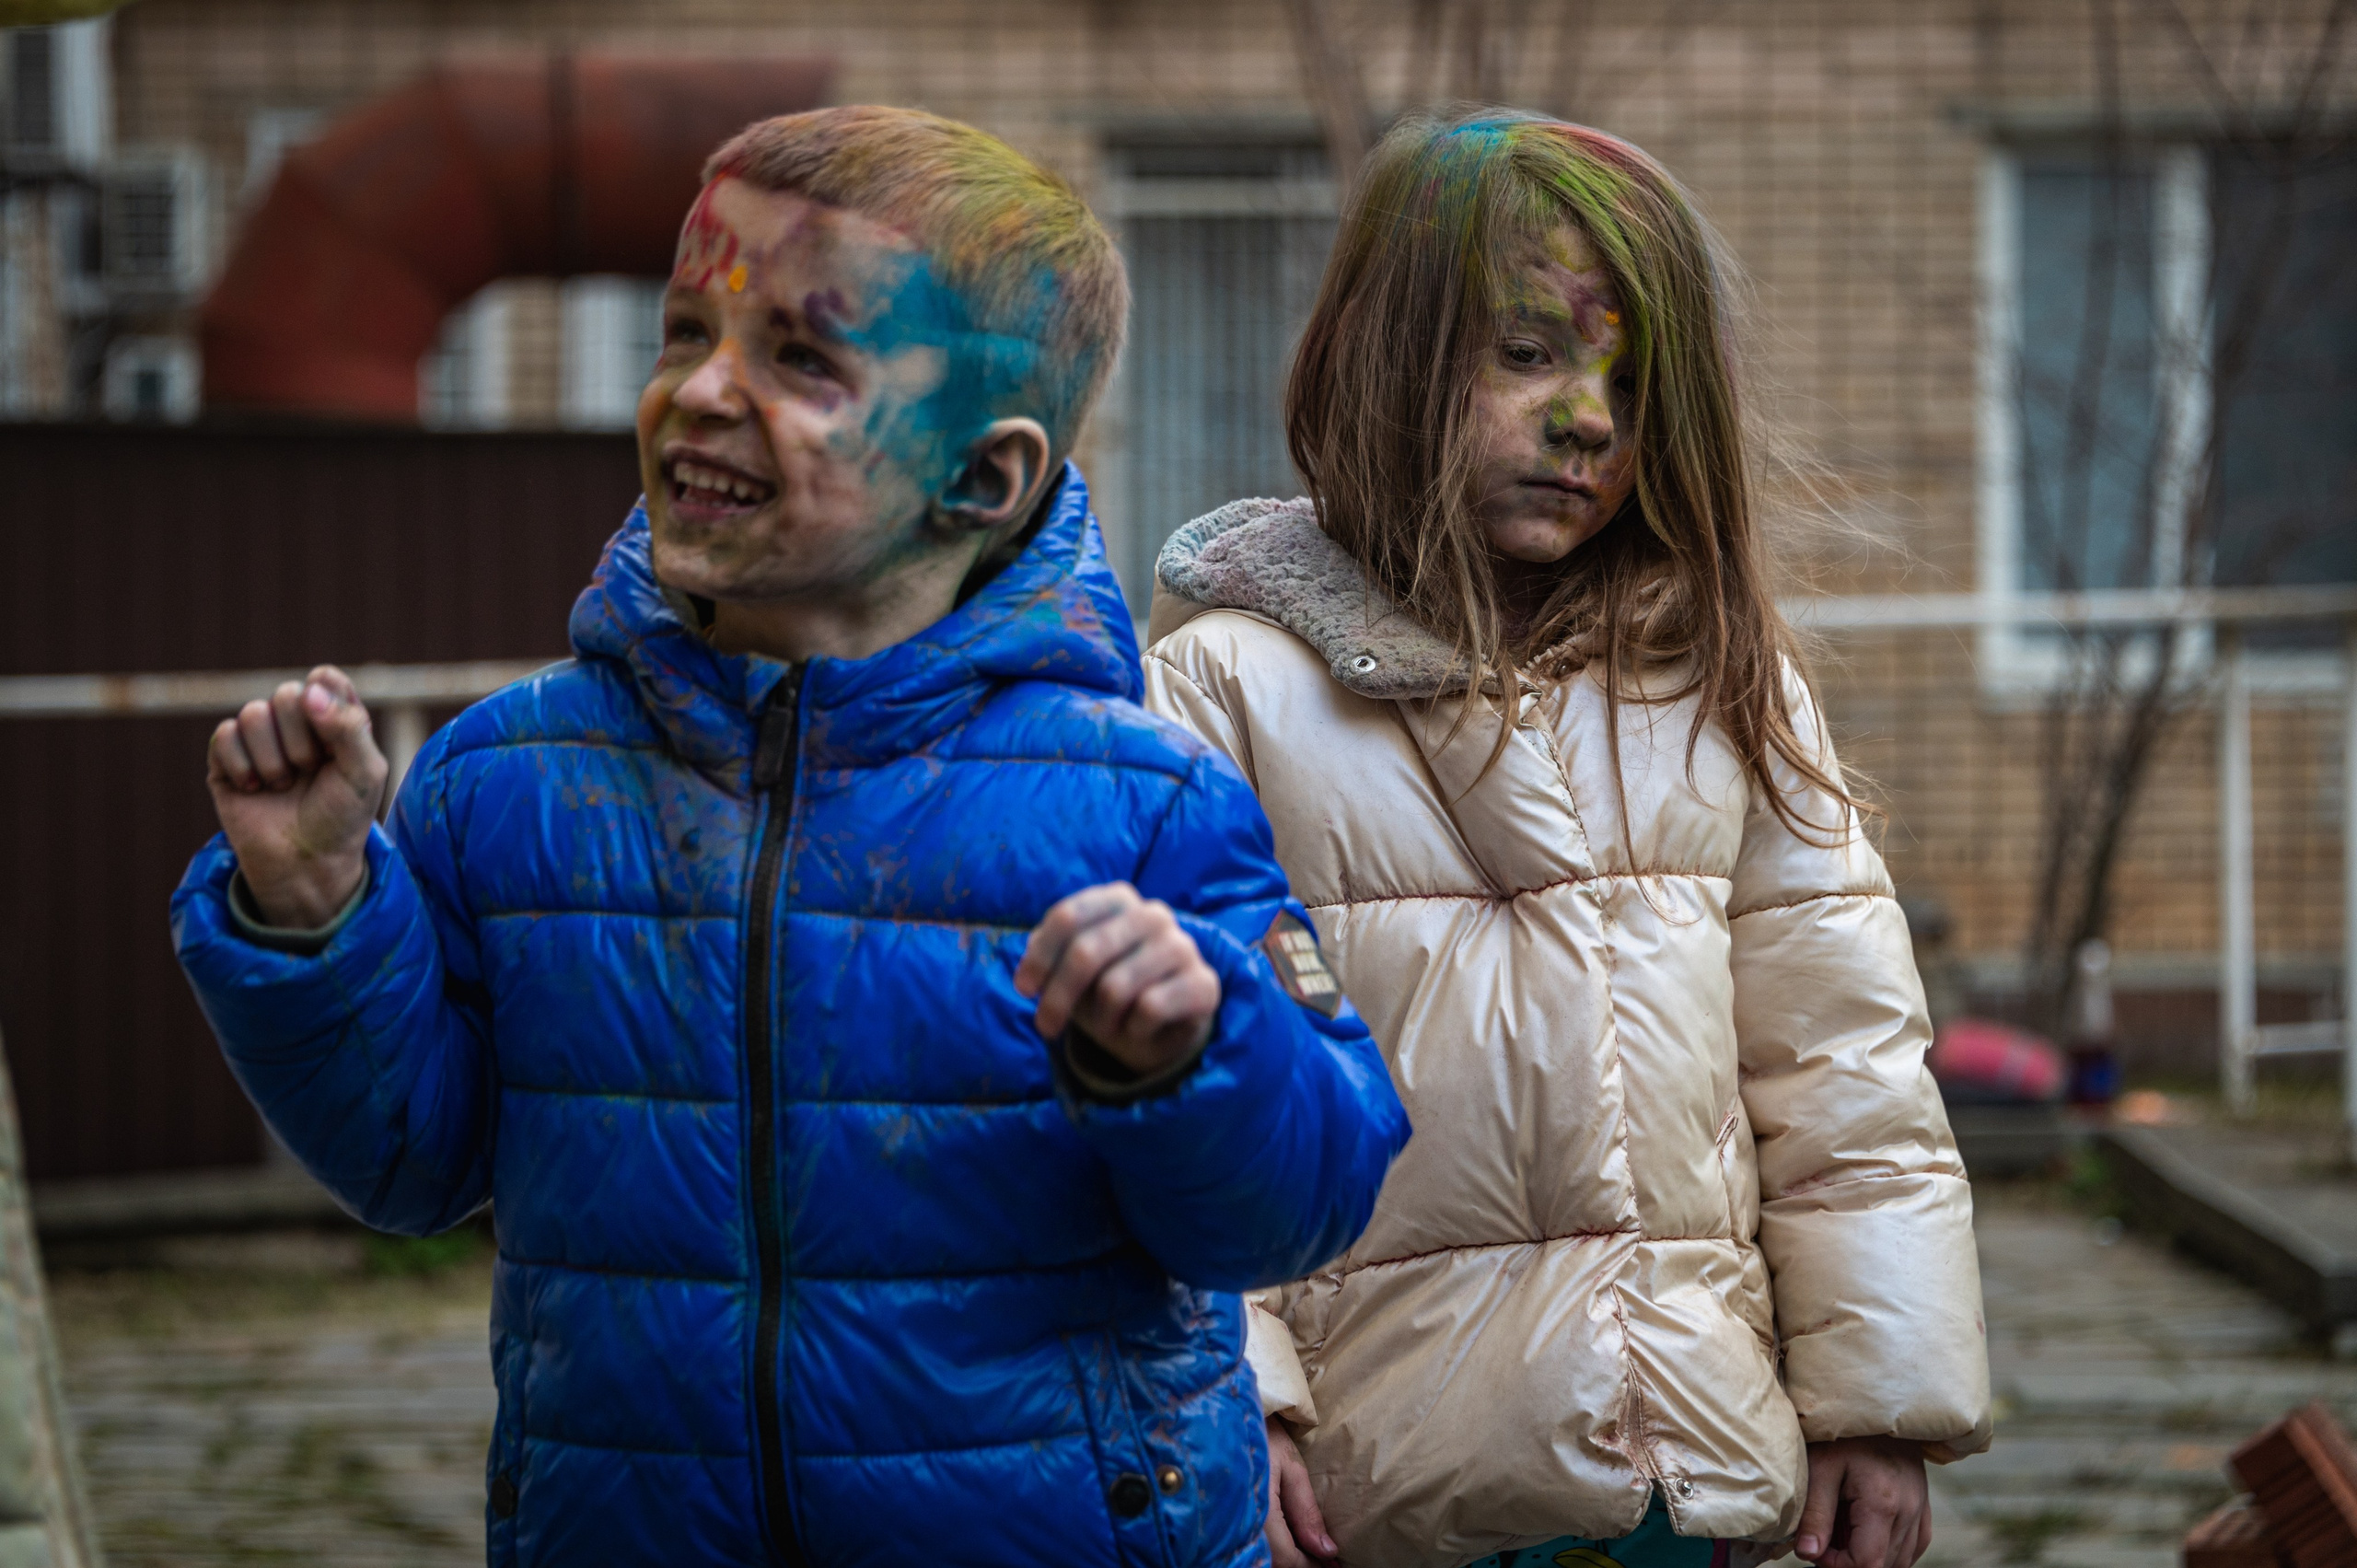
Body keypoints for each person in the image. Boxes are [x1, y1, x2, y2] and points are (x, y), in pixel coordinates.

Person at [172, 105, 1409, 1567]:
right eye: (685, 332)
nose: (702, 391)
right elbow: (408, 1161)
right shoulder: (508, 782)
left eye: (801, 359)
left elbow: (1299, 1202)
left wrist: (1192, 1058)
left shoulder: (1143, 802)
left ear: (983, 479)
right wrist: (314, 911)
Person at [1144, 110, 1991, 1568]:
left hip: (1681, 1472)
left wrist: (1876, 1403)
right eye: (1528, 353)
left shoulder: (1724, 681)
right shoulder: (1226, 691)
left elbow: (1843, 1071)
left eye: (1629, 380)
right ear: (1387, 356)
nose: (1589, 417)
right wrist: (1240, 1392)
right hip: (1377, 1480)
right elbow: (1188, 1102)